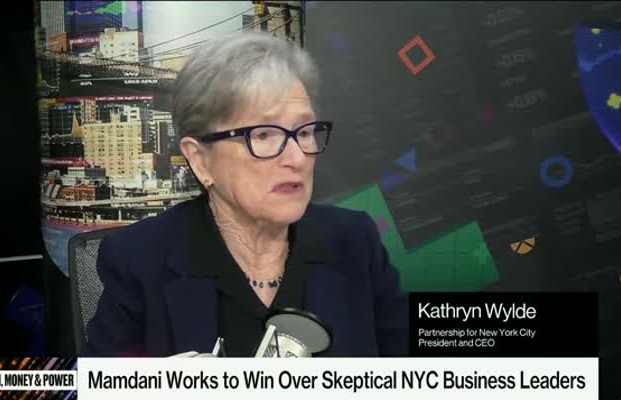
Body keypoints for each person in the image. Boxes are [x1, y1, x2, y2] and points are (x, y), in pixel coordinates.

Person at [83, 30, 408, 357]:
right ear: (200, 160)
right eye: (263, 135)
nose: (297, 158)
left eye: (305, 132)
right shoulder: (139, 260)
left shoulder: (356, 241)